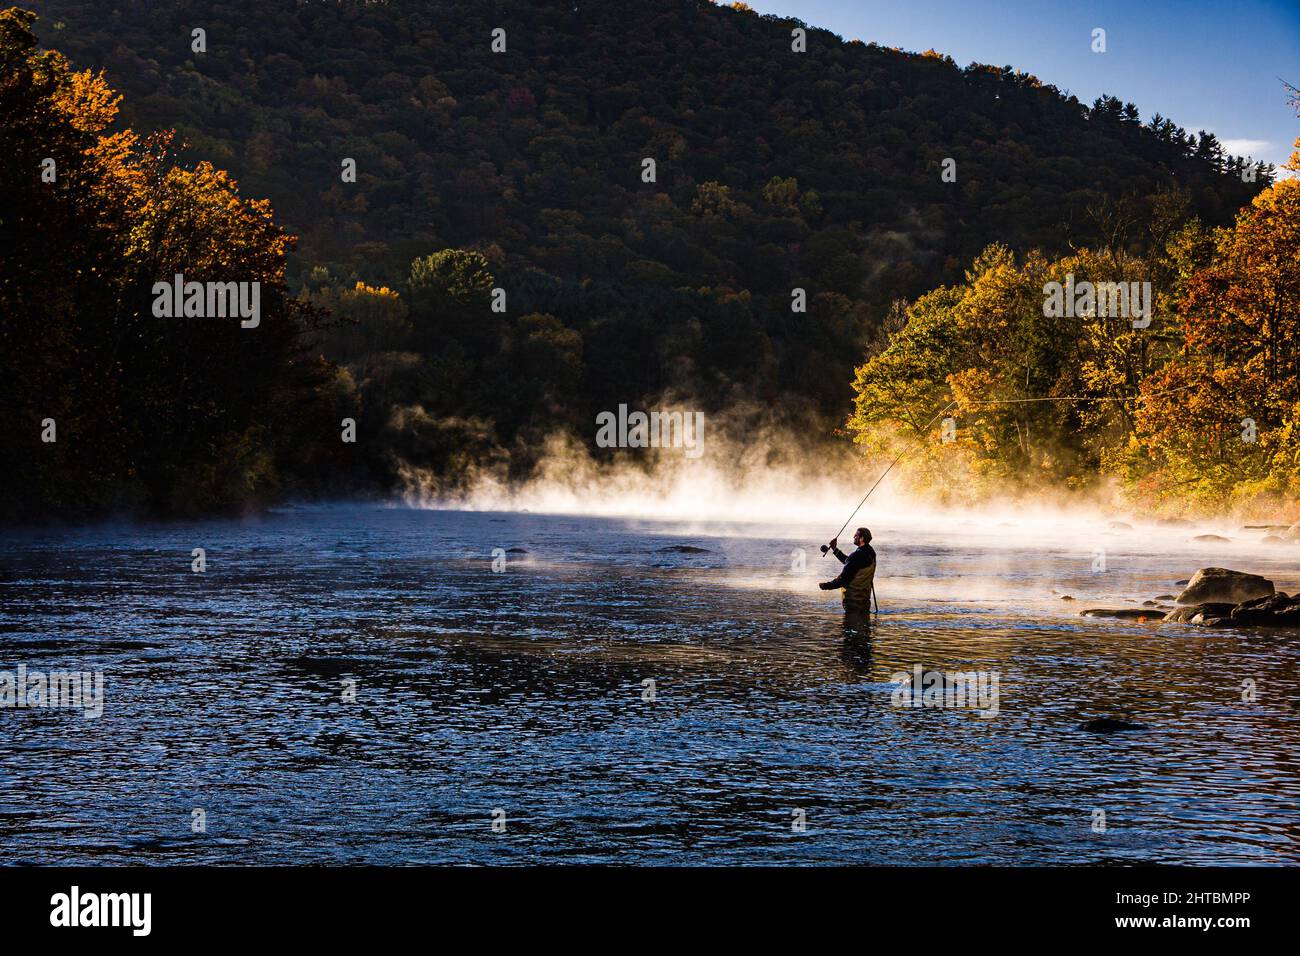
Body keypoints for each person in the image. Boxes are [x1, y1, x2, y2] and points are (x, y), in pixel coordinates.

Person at [819, 527, 876, 615]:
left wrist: (826, 586)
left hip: (853, 601)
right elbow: (850, 562)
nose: (854, 536)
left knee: (851, 625)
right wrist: (835, 549)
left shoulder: (857, 556)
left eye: (856, 535)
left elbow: (843, 579)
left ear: (862, 538)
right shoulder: (870, 552)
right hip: (864, 599)